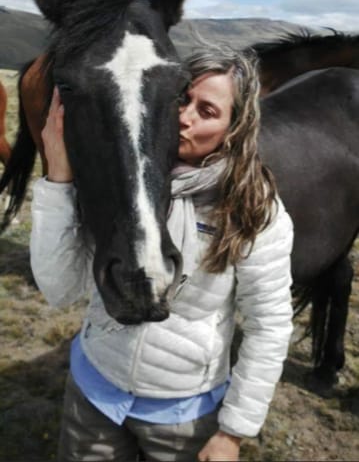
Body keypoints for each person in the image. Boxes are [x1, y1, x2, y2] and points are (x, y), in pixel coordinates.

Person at [30, 46, 294, 462]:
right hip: (94, 392)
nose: (185, 117)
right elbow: (60, 289)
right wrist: (59, 180)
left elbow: (270, 325)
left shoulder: (252, 209)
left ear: (234, 127)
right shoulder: (116, 178)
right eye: (181, 99)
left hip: (184, 415)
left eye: (207, 111)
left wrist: (233, 432)